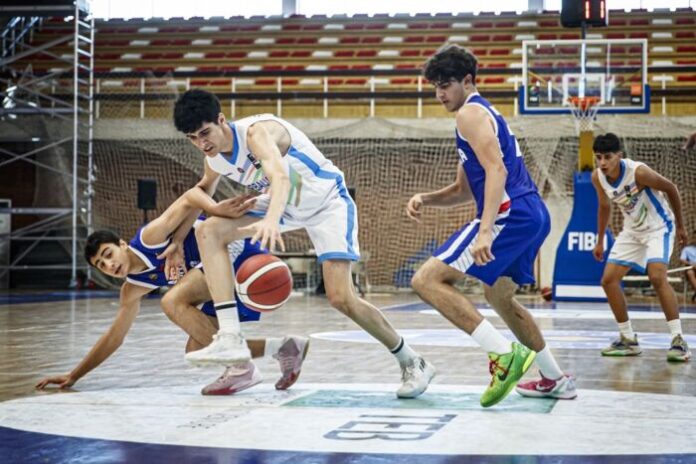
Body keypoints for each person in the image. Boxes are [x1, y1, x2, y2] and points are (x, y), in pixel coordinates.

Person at [168, 89, 434, 399]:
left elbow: (279, 177)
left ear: (221, 120)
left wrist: (271, 218)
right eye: (193, 138)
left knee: (341, 298)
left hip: (327, 202)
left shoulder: (256, 132)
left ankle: (413, 361)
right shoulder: (213, 159)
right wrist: (176, 240)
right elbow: (198, 193)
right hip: (286, 205)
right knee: (209, 230)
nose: (202, 143)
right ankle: (229, 334)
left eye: (205, 133)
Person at [406, 44, 576, 408]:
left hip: (509, 213)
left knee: (426, 280)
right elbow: (462, 189)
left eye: (446, 85)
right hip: (532, 214)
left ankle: (503, 355)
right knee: (499, 295)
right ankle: (555, 377)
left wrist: (485, 230)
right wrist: (427, 198)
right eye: (435, 86)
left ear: (468, 81)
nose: (440, 94)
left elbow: (497, 171)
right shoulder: (481, 115)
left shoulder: (469, 114)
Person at [36, 188, 309, 394]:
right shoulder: (132, 289)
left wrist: (218, 210)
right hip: (213, 276)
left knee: (172, 301)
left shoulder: (149, 238)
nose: (109, 264)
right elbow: (114, 338)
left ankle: (241, 368)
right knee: (196, 347)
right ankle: (284, 348)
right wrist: (75, 374)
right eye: (101, 265)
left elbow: (192, 196)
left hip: (231, 251)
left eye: (108, 254)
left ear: (121, 244)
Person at [591, 132, 690, 362]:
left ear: (619, 155)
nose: (603, 162)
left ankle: (678, 340)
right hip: (633, 230)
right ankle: (628, 339)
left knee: (656, 277)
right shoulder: (598, 177)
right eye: (599, 157)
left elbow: (671, 188)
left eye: (608, 157)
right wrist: (599, 240)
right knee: (608, 280)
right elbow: (604, 207)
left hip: (659, 227)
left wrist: (682, 227)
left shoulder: (639, 172)